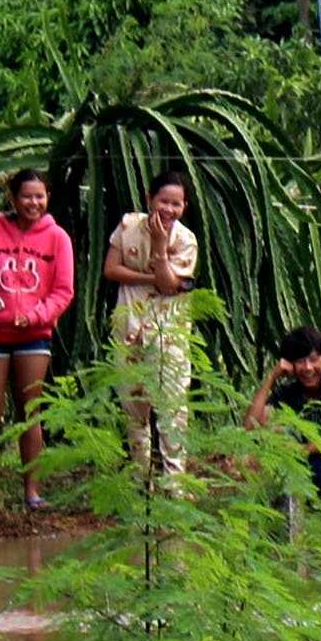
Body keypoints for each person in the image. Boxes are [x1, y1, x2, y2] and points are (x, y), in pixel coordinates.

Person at [0, 168, 74, 507]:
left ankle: (32, 490)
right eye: (26, 196)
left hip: (34, 334)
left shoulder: (58, 238)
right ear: (12, 198)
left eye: (40, 196)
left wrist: (37, 315)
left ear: (48, 198)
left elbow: (63, 291)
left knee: (30, 411)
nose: (34, 202)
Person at [102, 168, 199, 482]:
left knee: (171, 406)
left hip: (168, 330)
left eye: (176, 204)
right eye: (164, 201)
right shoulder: (128, 225)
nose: (169, 209)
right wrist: (151, 279)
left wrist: (159, 246)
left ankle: (174, 483)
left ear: (184, 207)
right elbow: (111, 269)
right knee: (134, 407)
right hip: (129, 323)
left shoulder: (186, 240)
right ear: (149, 199)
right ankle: (140, 481)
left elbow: (170, 286)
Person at [242, 324, 321, 504]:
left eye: (313, 359)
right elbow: (250, 425)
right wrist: (271, 377)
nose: (308, 368)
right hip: (301, 467)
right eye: (300, 361)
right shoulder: (286, 392)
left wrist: (308, 449)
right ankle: (280, 499)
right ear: (290, 366)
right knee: (253, 450)